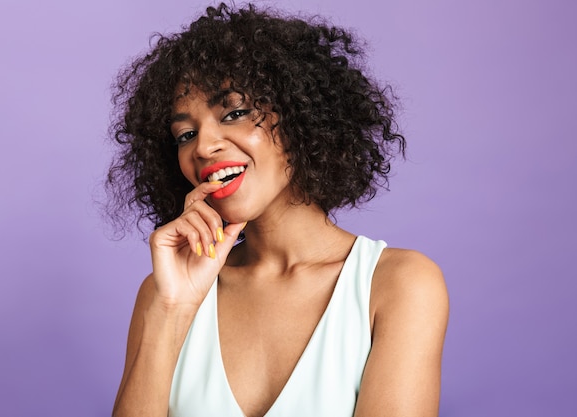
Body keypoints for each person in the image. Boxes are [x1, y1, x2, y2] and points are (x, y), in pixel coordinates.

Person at [106, 3, 449, 416]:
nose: (203, 146)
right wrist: (171, 311)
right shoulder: (165, 292)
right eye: (185, 134)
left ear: (302, 117)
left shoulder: (398, 285)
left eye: (234, 112)